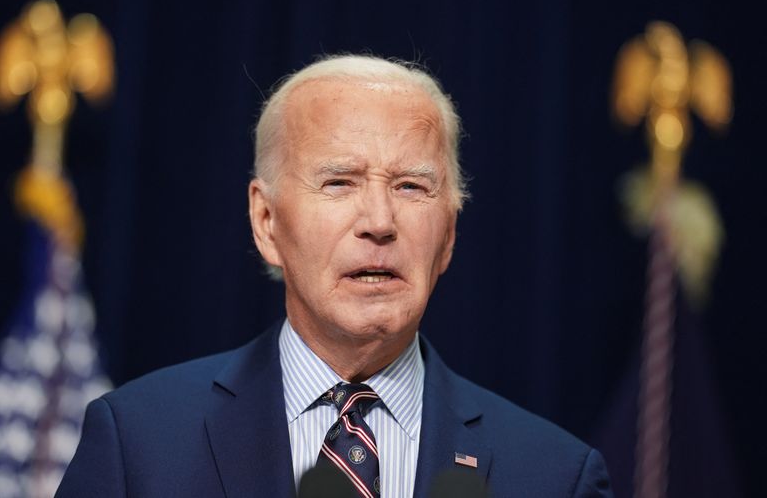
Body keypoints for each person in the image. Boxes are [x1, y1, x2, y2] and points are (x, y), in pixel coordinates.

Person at [56, 54, 613, 497]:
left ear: (449, 235)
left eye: (411, 186)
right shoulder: (139, 446)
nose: (379, 222)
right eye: (340, 182)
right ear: (266, 221)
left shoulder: (554, 477)